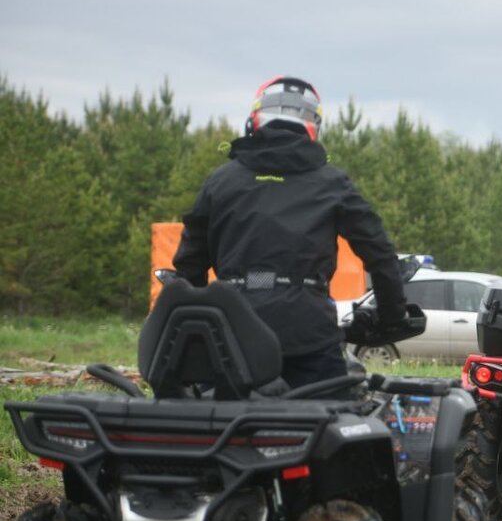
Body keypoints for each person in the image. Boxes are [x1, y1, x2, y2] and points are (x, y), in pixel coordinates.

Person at [174, 76, 408, 389]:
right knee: (335, 423)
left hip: (232, 331)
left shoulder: (221, 181)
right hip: (309, 335)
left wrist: (200, 329)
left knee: (218, 423)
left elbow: (189, 266)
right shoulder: (332, 183)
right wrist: (391, 318)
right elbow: (380, 253)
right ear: (313, 128)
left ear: (254, 121)